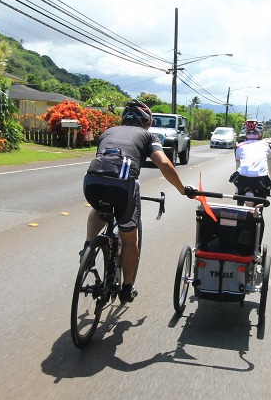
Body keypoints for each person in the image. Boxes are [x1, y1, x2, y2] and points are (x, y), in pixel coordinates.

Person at [82, 99, 192, 303]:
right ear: (147, 122)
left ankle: (88, 248)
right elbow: (165, 164)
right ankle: (126, 288)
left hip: (91, 181)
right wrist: (182, 189)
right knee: (129, 240)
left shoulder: (108, 131)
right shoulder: (149, 136)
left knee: (99, 209)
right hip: (123, 186)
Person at [231, 118, 271, 204]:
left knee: (240, 204)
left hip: (243, 179)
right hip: (261, 179)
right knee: (260, 206)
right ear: (261, 133)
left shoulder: (239, 147)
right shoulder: (266, 145)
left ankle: (240, 207)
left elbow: (238, 167)